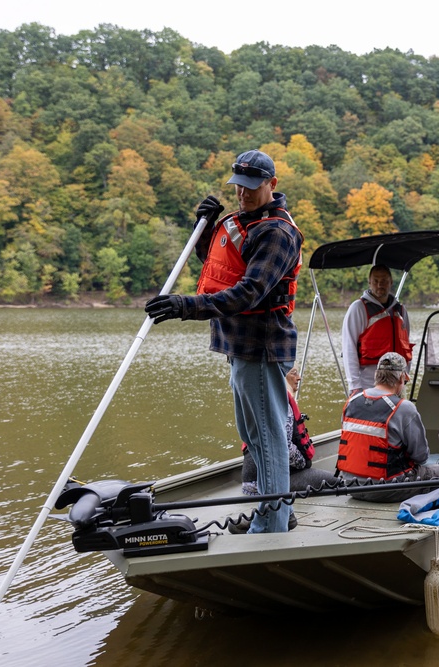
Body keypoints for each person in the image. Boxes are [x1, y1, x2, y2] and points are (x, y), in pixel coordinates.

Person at [145, 149, 303, 534]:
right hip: (237, 345)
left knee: (267, 442)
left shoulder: (277, 233)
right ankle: (269, 514)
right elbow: (220, 266)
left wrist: (187, 306)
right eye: (238, 187)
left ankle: (273, 524)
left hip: (261, 346)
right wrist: (205, 227)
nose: (243, 195)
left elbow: (248, 292)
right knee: (252, 436)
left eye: (252, 187)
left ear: (272, 184)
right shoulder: (245, 223)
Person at [231, 368, 338, 533]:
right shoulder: (282, 402)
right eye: (293, 373)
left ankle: (282, 513)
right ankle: (277, 518)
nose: (299, 377)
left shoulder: (265, 398)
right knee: (334, 481)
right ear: (280, 375)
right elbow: (284, 447)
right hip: (263, 483)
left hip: (251, 481)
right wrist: (303, 463)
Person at [337, 352, 439, 502]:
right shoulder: (404, 408)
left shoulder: (351, 402)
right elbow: (421, 456)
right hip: (386, 489)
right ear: (400, 378)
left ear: (377, 375)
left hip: (350, 486)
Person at [341, 264, 413, 392]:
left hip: (396, 384)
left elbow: (406, 346)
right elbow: (348, 348)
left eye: (384, 281)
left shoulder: (400, 310)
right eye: (376, 281)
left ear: (391, 282)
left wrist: (405, 376)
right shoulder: (358, 308)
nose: (380, 285)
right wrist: (354, 385)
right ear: (369, 282)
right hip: (368, 384)